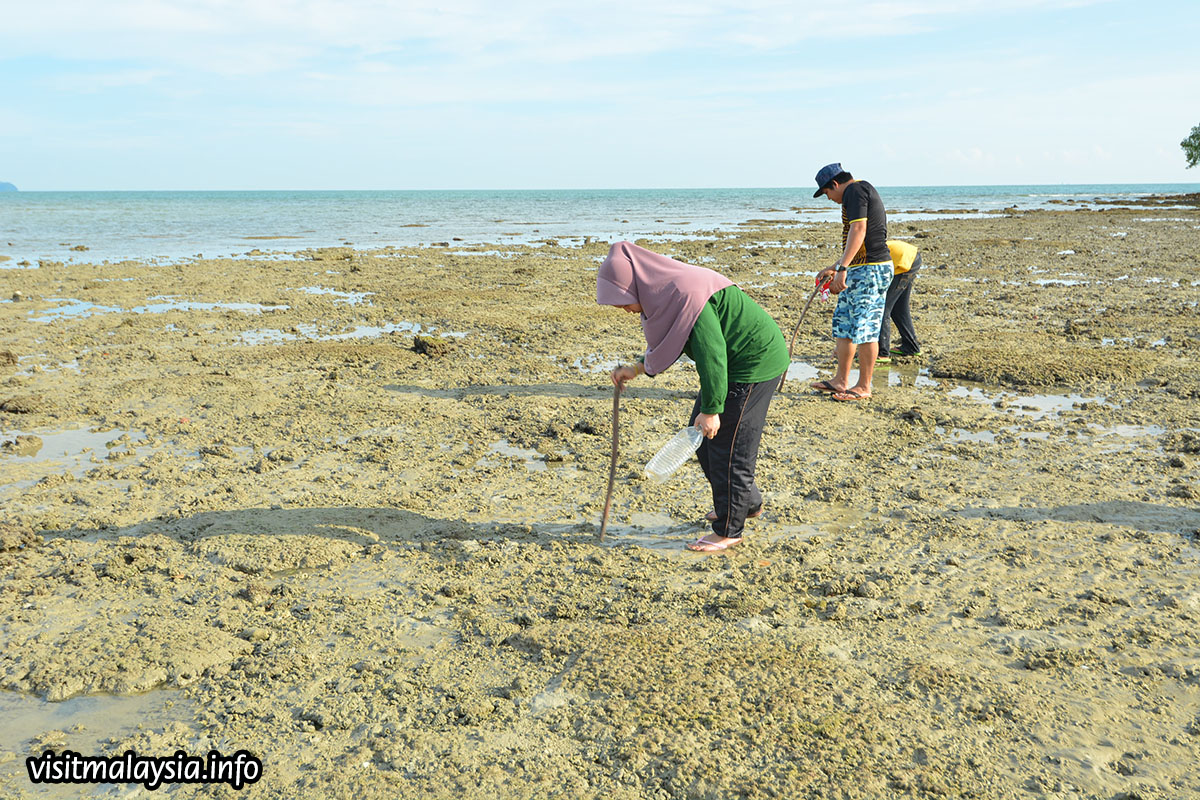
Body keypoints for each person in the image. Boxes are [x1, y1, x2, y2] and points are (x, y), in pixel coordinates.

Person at [598, 241, 788, 552]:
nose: (625, 310)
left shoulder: (687, 296)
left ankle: (729, 529)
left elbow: (712, 354)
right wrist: (638, 368)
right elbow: (674, 337)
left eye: (623, 301)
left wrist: (712, 409)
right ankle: (746, 504)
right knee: (701, 438)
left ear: (636, 285)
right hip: (732, 364)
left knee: (728, 448)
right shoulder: (666, 292)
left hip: (753, 362)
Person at [808, 163, 893, 402]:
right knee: (843, 323)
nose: (829, 198)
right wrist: (835, 267)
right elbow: (855, 242)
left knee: (866, 327)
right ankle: (841, 380)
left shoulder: (855, 190)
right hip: (858, 267)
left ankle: (864, 386)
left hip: (872, 268)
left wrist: (842, 269)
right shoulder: (854, 194)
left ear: (835, 184)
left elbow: (859, 229)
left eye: (827, 192)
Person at [877, 239, 922, 362]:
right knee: (899, 308)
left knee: (882, 308)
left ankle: (882, 352)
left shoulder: (857, 264)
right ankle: (911, 346)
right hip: (912, 257)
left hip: (903, 261)